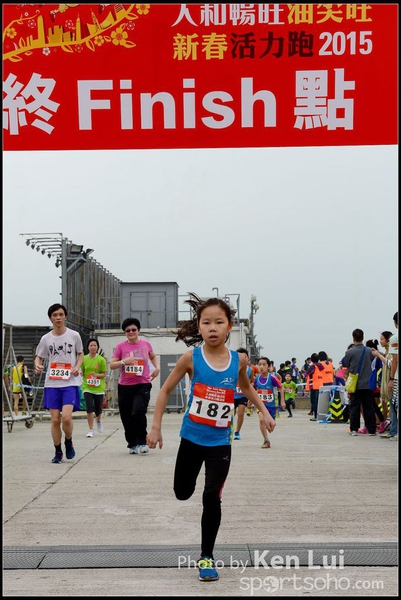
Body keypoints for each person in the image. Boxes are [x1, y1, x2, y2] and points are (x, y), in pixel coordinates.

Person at [146, 293, 275, 582]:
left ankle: (206, 557)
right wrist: (155, 427)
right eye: (206, 323)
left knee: (211, 497)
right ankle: (190, 490)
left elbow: (247, 388)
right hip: (192, 438)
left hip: (220, 443)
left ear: (229, 326)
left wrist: (265, 412)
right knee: (182, 492)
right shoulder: (191, 358)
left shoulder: (239, 361)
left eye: (219, 322)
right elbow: (164, 390)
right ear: (199, 327)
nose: (213, 328)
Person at [34, 304, 84, 463]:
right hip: (52, 384)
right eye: (55, 315)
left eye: (61, 314)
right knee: (55, 419)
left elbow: (80, 353)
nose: (58, 317)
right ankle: (57, 451)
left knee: (66, 418)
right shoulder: (46, 338)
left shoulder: (74, 335)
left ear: (65, 317)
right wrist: (37, 365)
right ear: (50, 318)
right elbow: (39, 356)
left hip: (70, 383)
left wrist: (77, 367)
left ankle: (68, 441)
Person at [110, 318, 160, 454]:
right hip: (125, 386)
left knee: (138, 412)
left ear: (139, 330)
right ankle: (132, 443)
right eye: (127, 330)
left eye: (133, 329)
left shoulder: (146, 344)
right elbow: (112, 365)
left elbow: (153, 356)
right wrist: (124, 361)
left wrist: (157, 367)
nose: (131, 332)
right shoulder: (121, 347)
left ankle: (142, 442)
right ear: (125, 332)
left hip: (142, 384)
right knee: (126, 416)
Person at [340, 329, 376, 436]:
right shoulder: (370, 351)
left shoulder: (349, 352)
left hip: (355, 385)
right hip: (368, 383)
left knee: (355, 407)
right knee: (369, 407)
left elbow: (346, 364)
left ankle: (354, 429)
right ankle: (371, 429)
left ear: (353, 338)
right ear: (363, 337)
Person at [254, 356, 285, 447]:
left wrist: (282, 401)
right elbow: (254, 390)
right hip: (261, 405)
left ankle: (269, 429)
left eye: (264, 364)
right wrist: (251, 400)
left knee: (270, 427)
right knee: (261, 420)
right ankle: (266, 440)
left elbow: (281, 388)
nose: (261, 367)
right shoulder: (257, 379)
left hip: (271, 405)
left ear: (268, 366)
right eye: (259, 364)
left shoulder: (272, 378)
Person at [81, 338, 107, 438]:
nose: (93, 347)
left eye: (94, 345)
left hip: (98, 387)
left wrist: (97, 375)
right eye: (91, 345)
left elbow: (104, 374)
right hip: (87, 386)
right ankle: (90, 429)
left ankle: (99, 420)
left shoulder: (101, 360)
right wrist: (80, 373)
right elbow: (82, 371)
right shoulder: (84, 359)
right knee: (89, 407)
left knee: (98, 409)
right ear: (88, 347)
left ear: (97, 347)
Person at [233, 348, 254, 440]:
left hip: (243, 395)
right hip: (233, 394)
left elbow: (252, 381)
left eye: (244, 356)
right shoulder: (232, 368)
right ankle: (228, 429)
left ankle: (237, 432)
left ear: (247, 358)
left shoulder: (250, 370)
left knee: (240, 413)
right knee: (230, 414)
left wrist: (249, 386)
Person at [383, 312, 398, 440]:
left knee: (395, 404)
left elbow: (395, 360)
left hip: (397, 377)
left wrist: (391, 379)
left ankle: (395, 432)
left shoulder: (395, 339)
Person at [304, 353, 324, 421]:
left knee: (314, 401)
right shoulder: (321, 366)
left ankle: (315, 416)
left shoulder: (313, 366)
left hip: (314, 386)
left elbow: (307, 373)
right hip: (321, 385)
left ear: (312, 359)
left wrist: (303, 375)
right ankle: (319, 415)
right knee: (319, 401)